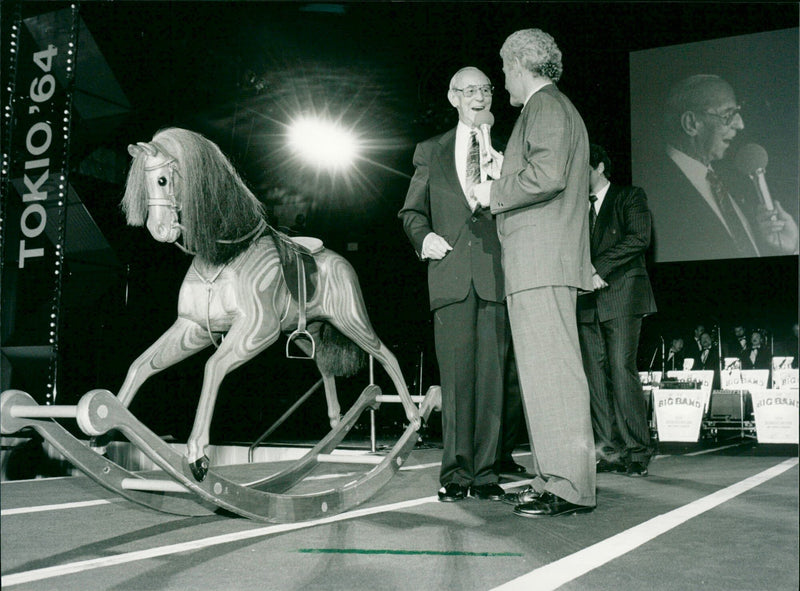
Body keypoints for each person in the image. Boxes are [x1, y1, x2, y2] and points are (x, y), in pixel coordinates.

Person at [472, 29, 595, 517]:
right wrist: (506, 171)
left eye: (504, 70)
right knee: (543, 377)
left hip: (542, 260)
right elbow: (542, 172)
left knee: (555, 377)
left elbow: (547, 177)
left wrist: (491, 194)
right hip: (537, 261)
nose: (502, 83)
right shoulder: (547, 110)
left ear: (520, 65)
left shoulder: (545, 107)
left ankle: (568, 485)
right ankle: (550, 476)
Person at [399, 66, 507, 503]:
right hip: (449, 277)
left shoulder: (510, 146)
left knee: (493, 381)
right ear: (452, 97)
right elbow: (411, 211)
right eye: (469, 90)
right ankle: (456, 473)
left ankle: (485, 474)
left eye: (485, 89)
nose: (479, 97)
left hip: (497, 275)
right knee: (457, 383)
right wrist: (423, 237)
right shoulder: (431, 150)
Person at [648, 74, 798, 262]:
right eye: (728, 115)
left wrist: (787, 251)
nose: (740, 124)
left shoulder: (730, 182)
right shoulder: (652, 198)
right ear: (691, 124)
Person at [577, 144, 657, 477]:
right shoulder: (576, 208)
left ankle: (637, 451)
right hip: (585, 302)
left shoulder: (629, 196)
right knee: (595, 377)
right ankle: (609, 451)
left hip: (622, 295)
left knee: (621, 368)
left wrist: (598, 268)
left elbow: (640, 237)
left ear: (599, 166)